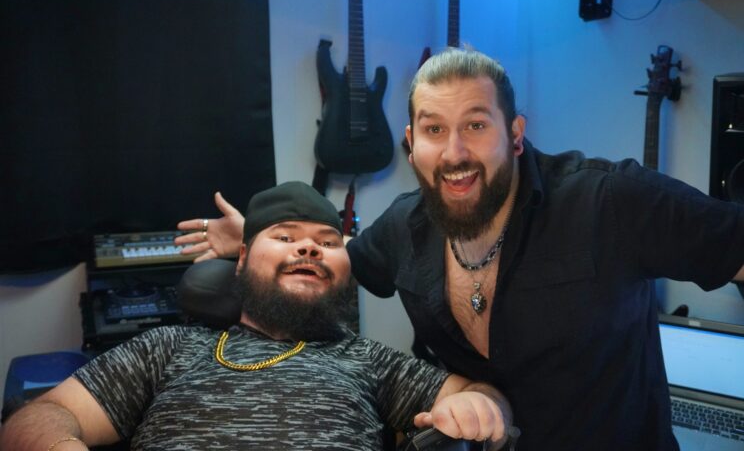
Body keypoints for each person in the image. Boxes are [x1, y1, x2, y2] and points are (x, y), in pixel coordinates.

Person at [173, 48, 744, 451]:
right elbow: (343, 254)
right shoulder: (403, 227)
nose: (454, 153)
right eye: (434, 130)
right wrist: (257, 238)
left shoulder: (610, 199)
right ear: (410, 143)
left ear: (515, 134)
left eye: (476, 125)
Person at [0, 181, 515, 451]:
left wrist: (483, 408)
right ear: (242, 258)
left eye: (328, 242)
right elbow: (34, 420)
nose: (310, 250)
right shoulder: (169, 348)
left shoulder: (369, 360)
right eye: (286, 238)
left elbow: (482, 396)